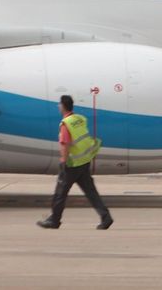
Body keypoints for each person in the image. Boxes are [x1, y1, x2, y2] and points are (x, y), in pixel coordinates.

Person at [37, 94, 113, 230]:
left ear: (63, 106)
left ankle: (54, 221)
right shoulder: (79, 119)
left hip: (71, 164)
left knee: (60, 194)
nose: (58, 106)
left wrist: (63, 162)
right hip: (84, 161)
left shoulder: (65, 124)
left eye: (59, 104)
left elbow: (65, 144)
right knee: (91, 192)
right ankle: (105, 217)